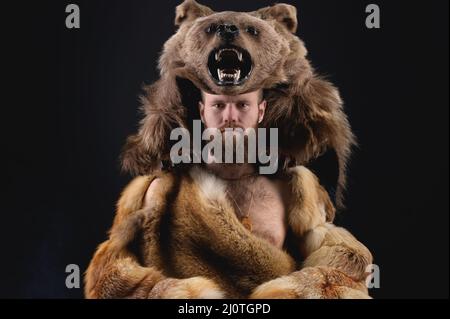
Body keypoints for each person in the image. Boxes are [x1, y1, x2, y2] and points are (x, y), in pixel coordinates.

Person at [85, 89, 372, 299]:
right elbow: (110, 280)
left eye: (242, 105)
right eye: (219, 105)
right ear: (202, 111)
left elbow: (342, 272)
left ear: (261, 111)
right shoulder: (159, 191)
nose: (230, 117)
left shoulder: (294, 189)